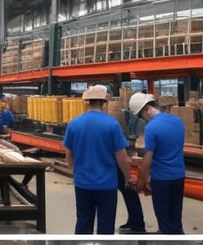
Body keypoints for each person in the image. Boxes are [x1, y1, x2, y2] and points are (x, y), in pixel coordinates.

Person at [62, 85, 133, 234]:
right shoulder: (112, 124)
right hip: (106, 185)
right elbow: (122, 157)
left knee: (83, 221)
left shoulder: (74, 124)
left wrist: (75, 171)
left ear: (86, 102)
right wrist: (128, 178)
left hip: (82, 184)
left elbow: (68, 153)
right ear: (104, 102)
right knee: (106, 225)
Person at [129, 92, 186, 234]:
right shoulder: (178, 121)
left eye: (141, 116)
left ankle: (166, 238)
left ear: (146, 110)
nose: (143, 119)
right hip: (179, 176)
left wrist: (142, 180)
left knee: (163, 218)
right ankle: (177, 234)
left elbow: (148, 158)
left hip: (161, 179)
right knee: (176, 215)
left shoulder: (151, 127)